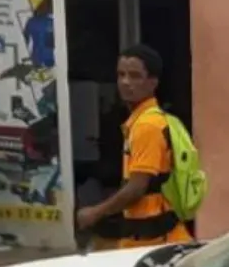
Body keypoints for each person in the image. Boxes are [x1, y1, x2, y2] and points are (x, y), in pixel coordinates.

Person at [74, 44, 193, 250]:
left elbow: (136, 188)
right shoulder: (143, 121)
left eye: (135, 76)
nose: (126, 82)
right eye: (121, 75)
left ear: (153, 83)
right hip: (148, 236)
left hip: (153, 241)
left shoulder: (147, 126)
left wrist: (96, 212)